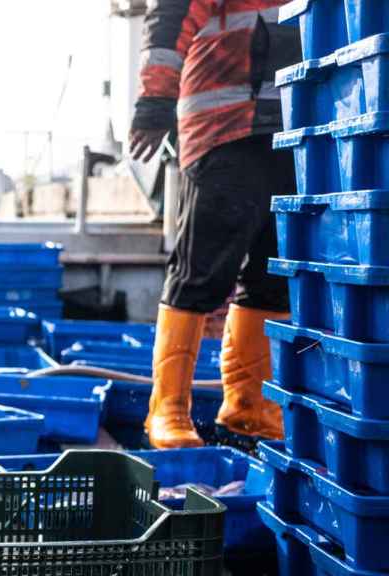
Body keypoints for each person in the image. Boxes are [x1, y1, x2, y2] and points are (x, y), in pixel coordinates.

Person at [129, 2, 300, 448]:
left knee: (275, 273)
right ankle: (168, 409)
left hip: (299, 126)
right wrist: (156, 98)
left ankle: (248, 409)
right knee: (201, 269)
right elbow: (171, 14)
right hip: (225, 122)